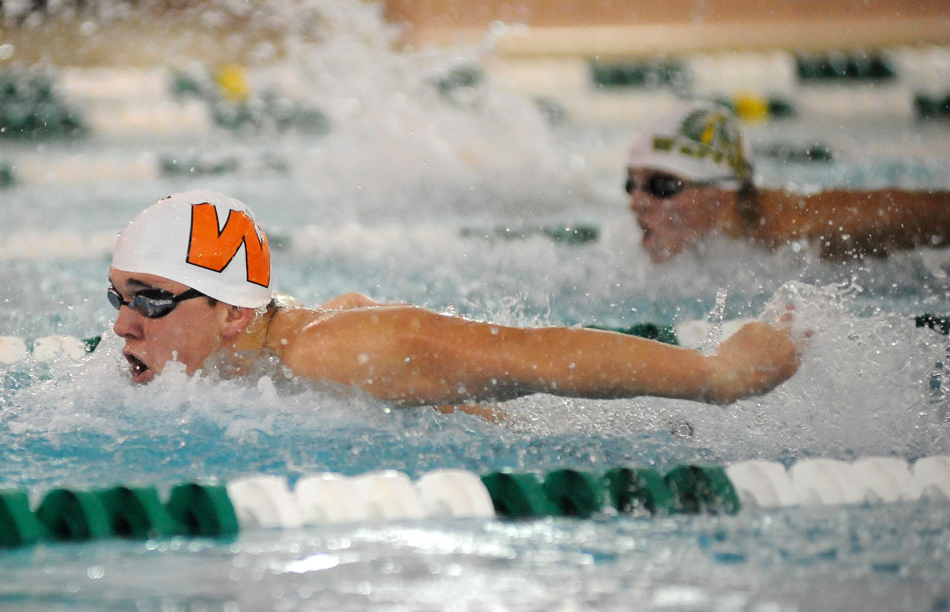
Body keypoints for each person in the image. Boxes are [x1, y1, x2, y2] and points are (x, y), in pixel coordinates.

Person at [108, 189, 802, 410]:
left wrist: (715, 375)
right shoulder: (236, 353)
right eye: (117, 297)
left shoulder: (334, 350)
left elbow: (530, 354)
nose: (122, 325)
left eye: (151, 299)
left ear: (232, 315)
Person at [626, 101, 950, 262]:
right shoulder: (707, 246)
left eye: (662, 186)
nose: (637, 202)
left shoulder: (802, 229)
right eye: (632, 184)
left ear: (721, 193)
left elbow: (930, 213)